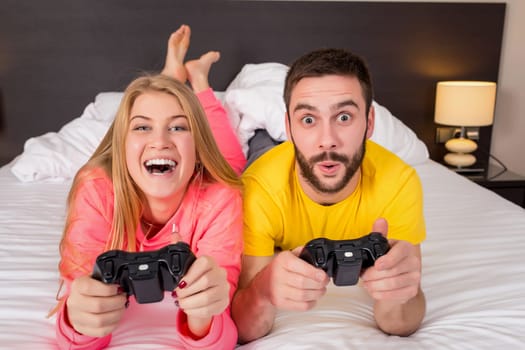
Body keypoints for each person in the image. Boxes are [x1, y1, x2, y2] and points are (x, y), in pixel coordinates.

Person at [52, 24, 246, 349]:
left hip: (206, 172)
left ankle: (198, 79)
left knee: (233, 163)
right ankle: (173, 75)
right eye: (142, 127)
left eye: (178, 128)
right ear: (121, 148)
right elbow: (77, 308)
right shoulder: (95, 188)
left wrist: (206, 311)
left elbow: (219, 322)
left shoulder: (220, 196)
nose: (159, 141)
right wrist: (79, 318)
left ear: (197, 153)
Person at [231, 48, 426, 343]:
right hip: (272, 160)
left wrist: (399, 291)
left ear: (369, 123)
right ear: (289, 127)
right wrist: (263, 289)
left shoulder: (400, 182)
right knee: (251, 146)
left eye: (344, 117)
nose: (327, 141)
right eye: (308, 119)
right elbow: (245, 327)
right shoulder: (258, 187)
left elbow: (400, 320)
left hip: (296, 160)